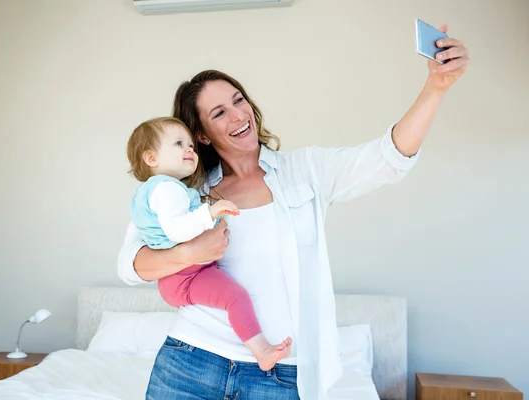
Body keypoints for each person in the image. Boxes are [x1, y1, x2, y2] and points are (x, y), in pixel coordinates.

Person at [118, 25, 469, 400]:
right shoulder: (185, 190)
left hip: (280, 375)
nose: (239, 115)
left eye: (239, 100)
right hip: (190, 361)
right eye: (219, 112)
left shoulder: (304, 172)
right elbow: (130, 265)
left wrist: (437, 87)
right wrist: (186, 254)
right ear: (201, 135)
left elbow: (387, 158)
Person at [125, 116, 293, 371]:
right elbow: (177, 230)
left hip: (183, 275)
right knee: (235, 298)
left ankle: (262, 350)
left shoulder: (152, 191)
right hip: (187, 274)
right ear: (151, 158)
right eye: (179, 143)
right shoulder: (167, 190)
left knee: (233, 297)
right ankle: (262, 350)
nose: (189, 149)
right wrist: (210, 213)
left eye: (190, 144)